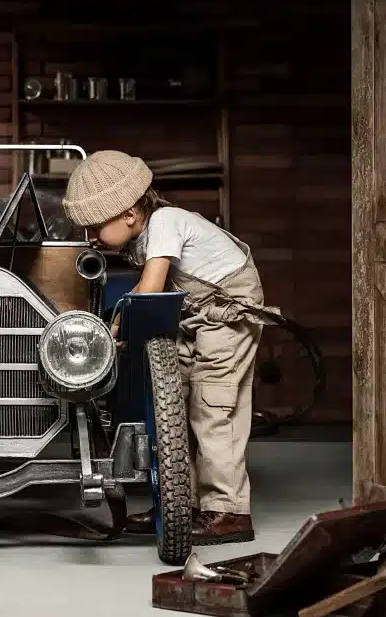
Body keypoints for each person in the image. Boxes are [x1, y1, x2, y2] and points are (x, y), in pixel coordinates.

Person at [61, 150, 278, 546]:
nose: (92, 238)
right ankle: (181, 503)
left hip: (227, 313)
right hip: (194, 315)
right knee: (171, 406)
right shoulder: (143, 235)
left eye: (95, 227)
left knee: (214, 406)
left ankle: (228, 511)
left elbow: (148, 292)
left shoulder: (164, 222)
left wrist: (112, 333)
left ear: (129, 213)